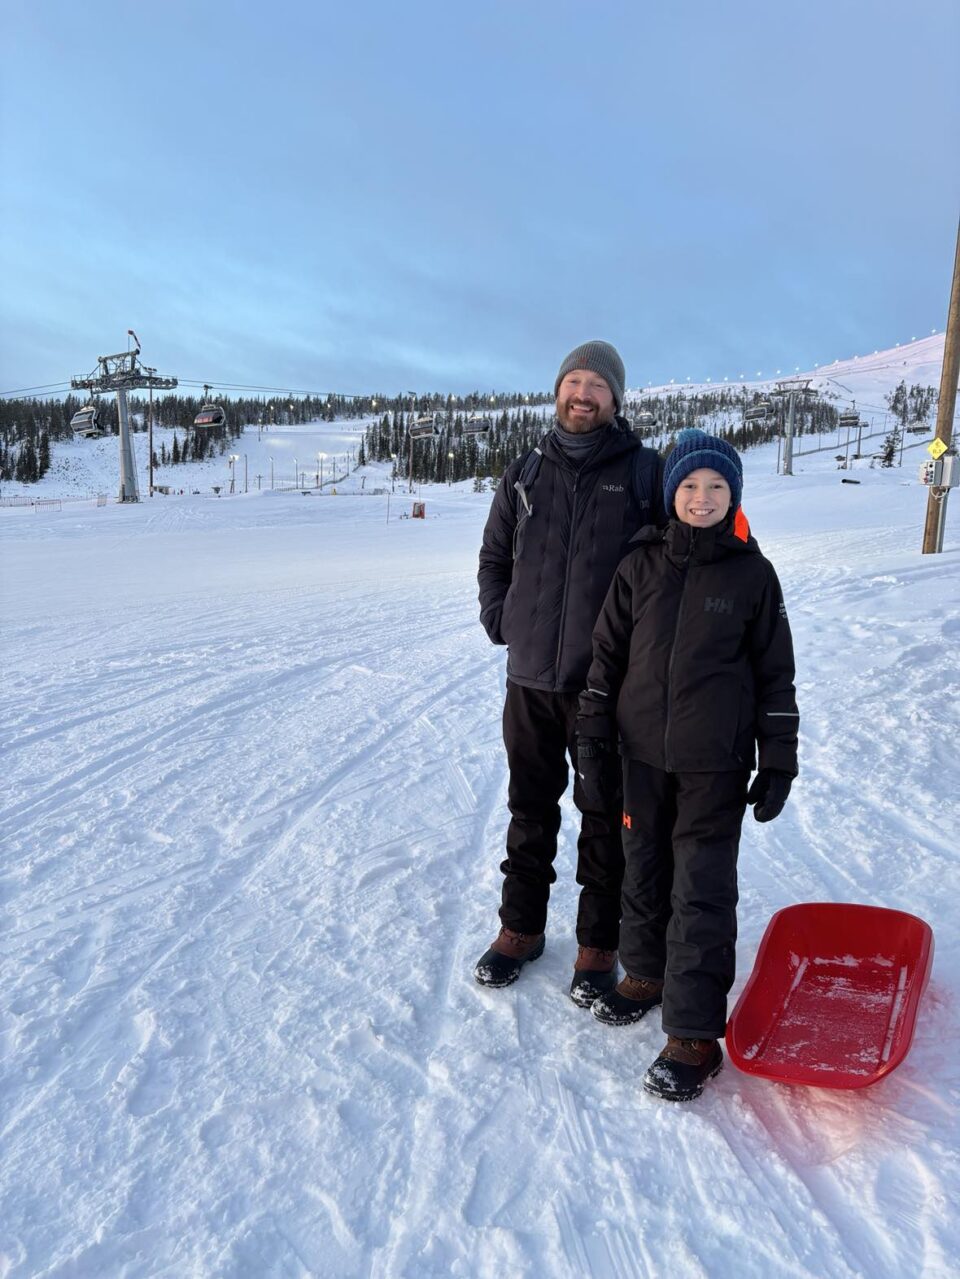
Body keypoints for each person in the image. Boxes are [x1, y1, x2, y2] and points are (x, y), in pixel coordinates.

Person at [576, 429, 798, 1101]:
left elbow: (775, 675)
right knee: (642, 867)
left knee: (700, 888)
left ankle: (696, 1033)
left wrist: (778, 755)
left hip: (715, 764)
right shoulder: (639, 566)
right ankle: (643, 972)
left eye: (718, 487)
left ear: (734, 497)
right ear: (672, 492)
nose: (702, 498)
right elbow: (605, 662)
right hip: (640, 755)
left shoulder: (752, 573)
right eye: (690, 486)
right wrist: (591, 738)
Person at [475, 341, 664, 1001]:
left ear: (615, 399)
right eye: (573, 381)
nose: (583, 394)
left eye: (597, 386)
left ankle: (597, 945)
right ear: (558, 390)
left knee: (603, 815)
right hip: (528, 679)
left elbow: (674, 566)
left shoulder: (645, 474)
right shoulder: (525, 471)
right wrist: (503, 619)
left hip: (603, 688)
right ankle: (519, 929)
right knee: (528, 808)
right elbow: (495, 554)